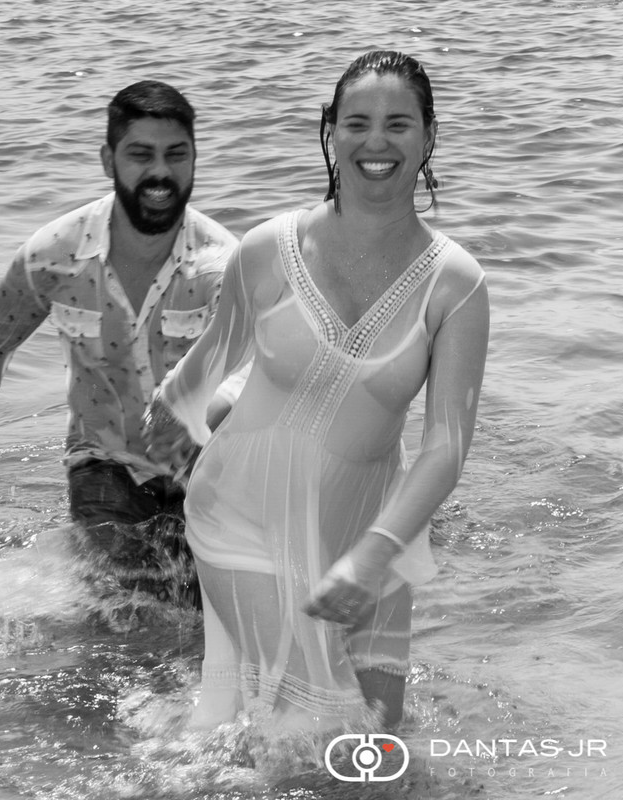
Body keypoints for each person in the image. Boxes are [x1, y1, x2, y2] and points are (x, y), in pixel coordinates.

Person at [144, 51, 489, 730]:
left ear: (428, 135)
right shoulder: (269, 250)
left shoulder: (457, 283)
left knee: (382, 738)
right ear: (330, 131)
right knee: (320, 728)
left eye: (398, 123)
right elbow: (215, 358)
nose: (376, 142)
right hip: (238, 516)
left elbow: (446, 447)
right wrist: (176, 407)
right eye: (356, 122)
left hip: (370, 535)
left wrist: (373, 555)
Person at [0, 80, 242, 604]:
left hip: (208, 465)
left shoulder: (225, 262)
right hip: (102, 466)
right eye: (141, 154)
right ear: (107, 159)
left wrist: (203, 412)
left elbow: (264, 365)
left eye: (176, 155)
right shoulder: (53, 255)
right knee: (121, 608)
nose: (160, 172)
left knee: (202, 616)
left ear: (194, 159)